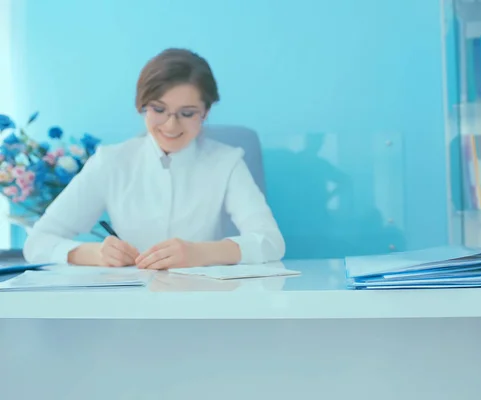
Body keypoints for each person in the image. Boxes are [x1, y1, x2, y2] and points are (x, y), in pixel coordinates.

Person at [23, 48, 285, 269]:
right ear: (142, 106)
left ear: (205, 112)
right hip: (128, 307)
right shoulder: (111, 161)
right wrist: (94, 254)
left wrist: (200, 253)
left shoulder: (226, 162)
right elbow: (38, 242)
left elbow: (271, 242)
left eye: (187, 113)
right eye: (159, 109)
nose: (171, 126)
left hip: (201, 302)